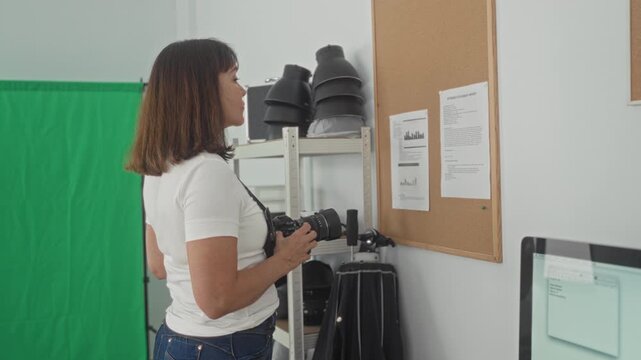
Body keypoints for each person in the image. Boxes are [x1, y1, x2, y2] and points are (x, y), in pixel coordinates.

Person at [126, 38, 318, 360]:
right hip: (224, 346)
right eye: (234, 77)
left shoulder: (160, 168)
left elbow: (159, 265)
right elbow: (216, 300)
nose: (243, 90)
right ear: (201, 90)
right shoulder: (206, 173)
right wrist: (285, 258)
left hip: (179, 339)